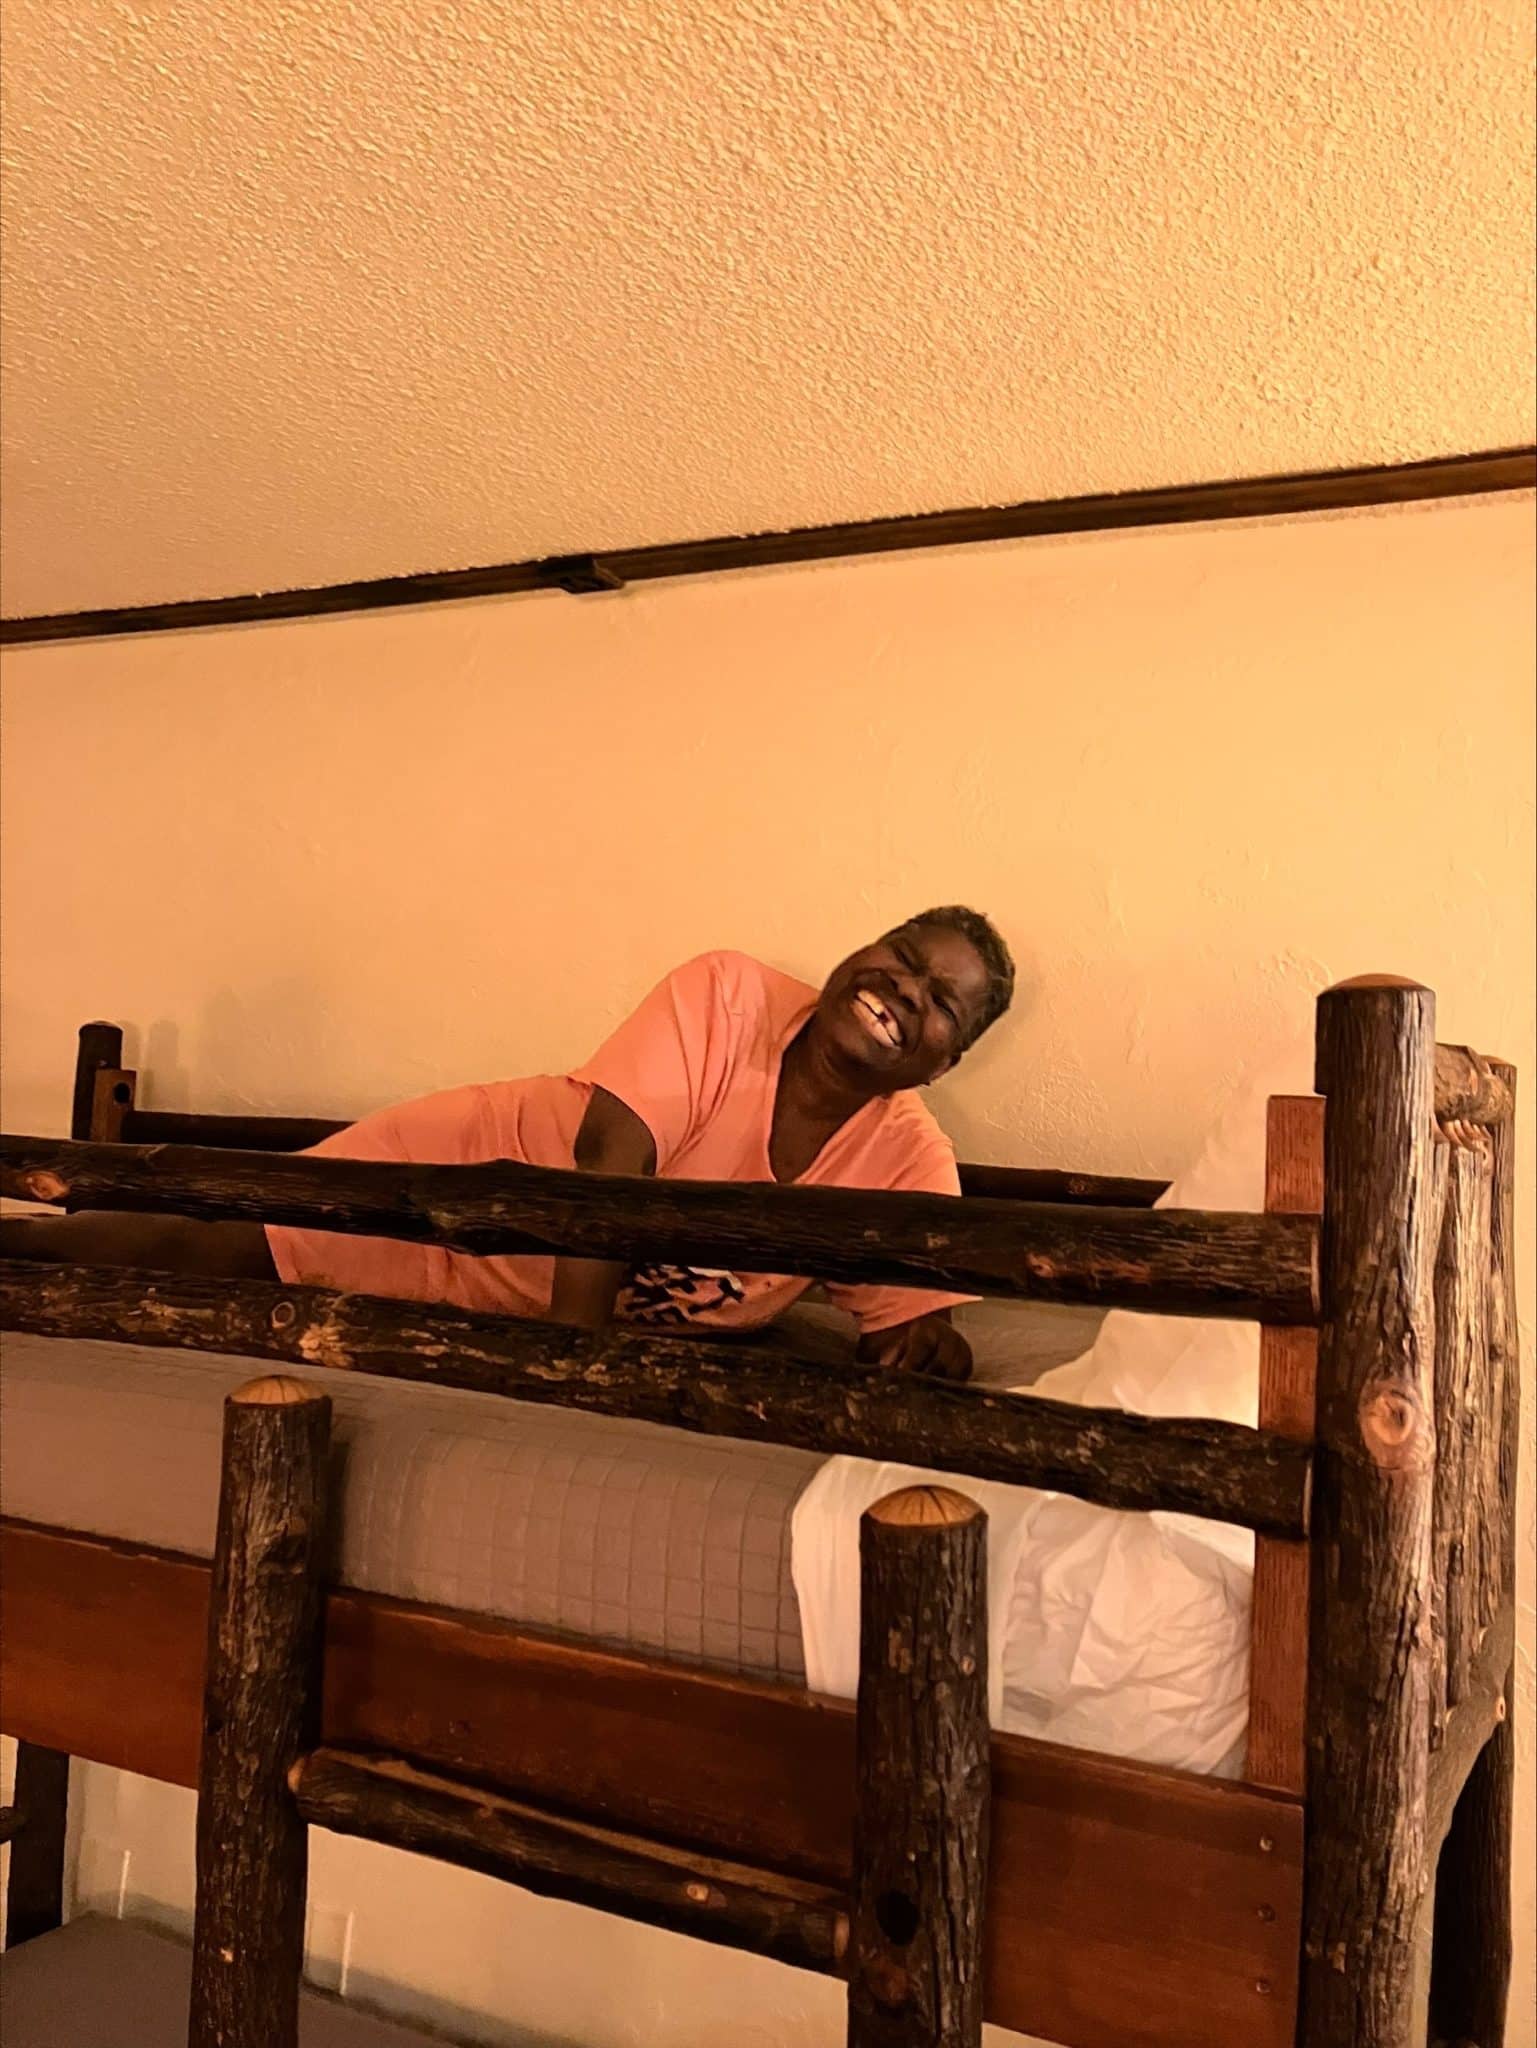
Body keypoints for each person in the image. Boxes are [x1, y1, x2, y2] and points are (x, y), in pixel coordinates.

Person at [3, 908, 1014, 1379]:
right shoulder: (732, 993)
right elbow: (608, 1164)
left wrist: (925, 1346)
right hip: (448, 1184)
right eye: (901, 955)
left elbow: (906, 1337)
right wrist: (566, 1373)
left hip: (517, 1302)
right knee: (188, 1247)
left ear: (946, 1061)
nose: (903, 989)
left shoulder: (904, 1161)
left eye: (941, 1003)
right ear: (858, 950)